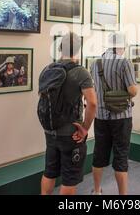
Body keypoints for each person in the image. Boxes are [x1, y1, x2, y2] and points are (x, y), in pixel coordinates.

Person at [40, 32, 97, 195]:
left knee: (49, 172)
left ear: (60, 47)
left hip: (50, 131)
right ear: (78, 49)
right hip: (71, 134)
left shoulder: (47, 69)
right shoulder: (81, 72)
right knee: (69, 179)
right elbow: (92, 103)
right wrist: (85, 128)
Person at [90, 32, 138, 195]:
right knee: (121, 156)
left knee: (99, 154)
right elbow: (133, 90)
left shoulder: (95, 63)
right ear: (121, 46)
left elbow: (94, 89)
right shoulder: (124, 63)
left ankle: (97, 191)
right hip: (121, 117)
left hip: (101, 117)